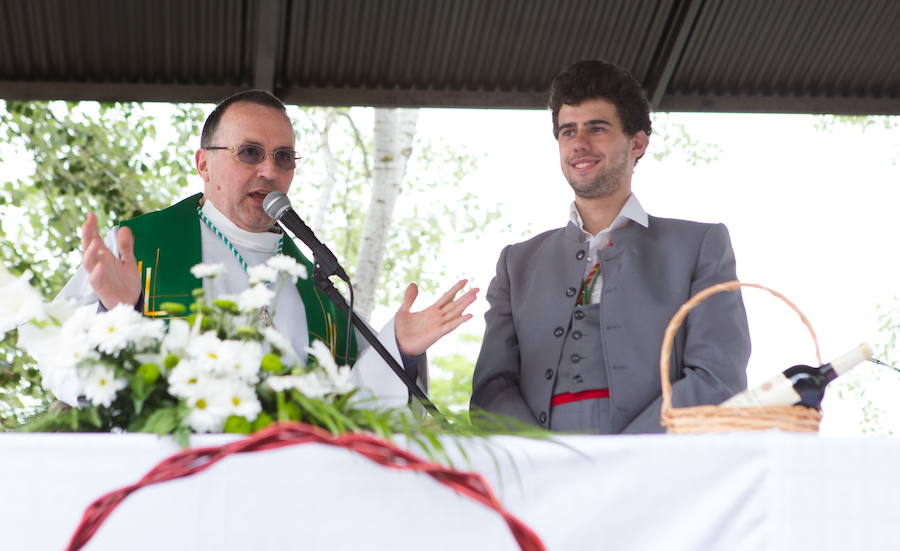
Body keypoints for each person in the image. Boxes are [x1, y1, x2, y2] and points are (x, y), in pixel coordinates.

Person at [59, 89, 477, 407]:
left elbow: (355, 405)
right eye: (250, 153)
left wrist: (397, 345)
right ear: (203, 164)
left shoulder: (318, 286)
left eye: (284, 158)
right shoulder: (137, 249)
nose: (269, 170)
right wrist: (120, 311)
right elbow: (59, 362)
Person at [470, 60, 750, 433]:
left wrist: (627, 455)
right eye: (568, 132)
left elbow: (719, 378)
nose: (579, 144)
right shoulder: (516, 263)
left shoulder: (699, 246)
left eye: (596, 128)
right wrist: (538, 455)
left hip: (655, 461)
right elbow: (491, 388)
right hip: (539, 472)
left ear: (637, 142)